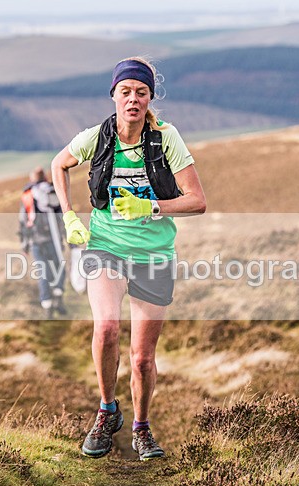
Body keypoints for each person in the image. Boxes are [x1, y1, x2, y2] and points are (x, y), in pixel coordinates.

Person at [51, 57, 206, 460]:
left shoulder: (166, 138)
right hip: (106, 247)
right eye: (125, 92)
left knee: (142, 359)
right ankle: (106, 412)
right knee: (105, 328)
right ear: (114, 96)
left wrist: (151, 207)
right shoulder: (98, 137)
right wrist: (69, 216)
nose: (133, 99)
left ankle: (141, 428)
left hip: (154, 255)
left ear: (150, 98)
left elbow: (197, 201)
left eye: (141, 92)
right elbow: (59, 164)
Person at [18, 166, 67, 318]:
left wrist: (24, 244)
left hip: (36, 241)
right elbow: (62, 216)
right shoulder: (53, 192)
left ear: (32, 178)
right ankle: (58, 296)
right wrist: (67, 238)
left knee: (42, 272)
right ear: (45, 177)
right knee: (59, 268)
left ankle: (47, 305)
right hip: (54, 239)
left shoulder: (28, 196)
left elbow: (23, 221)